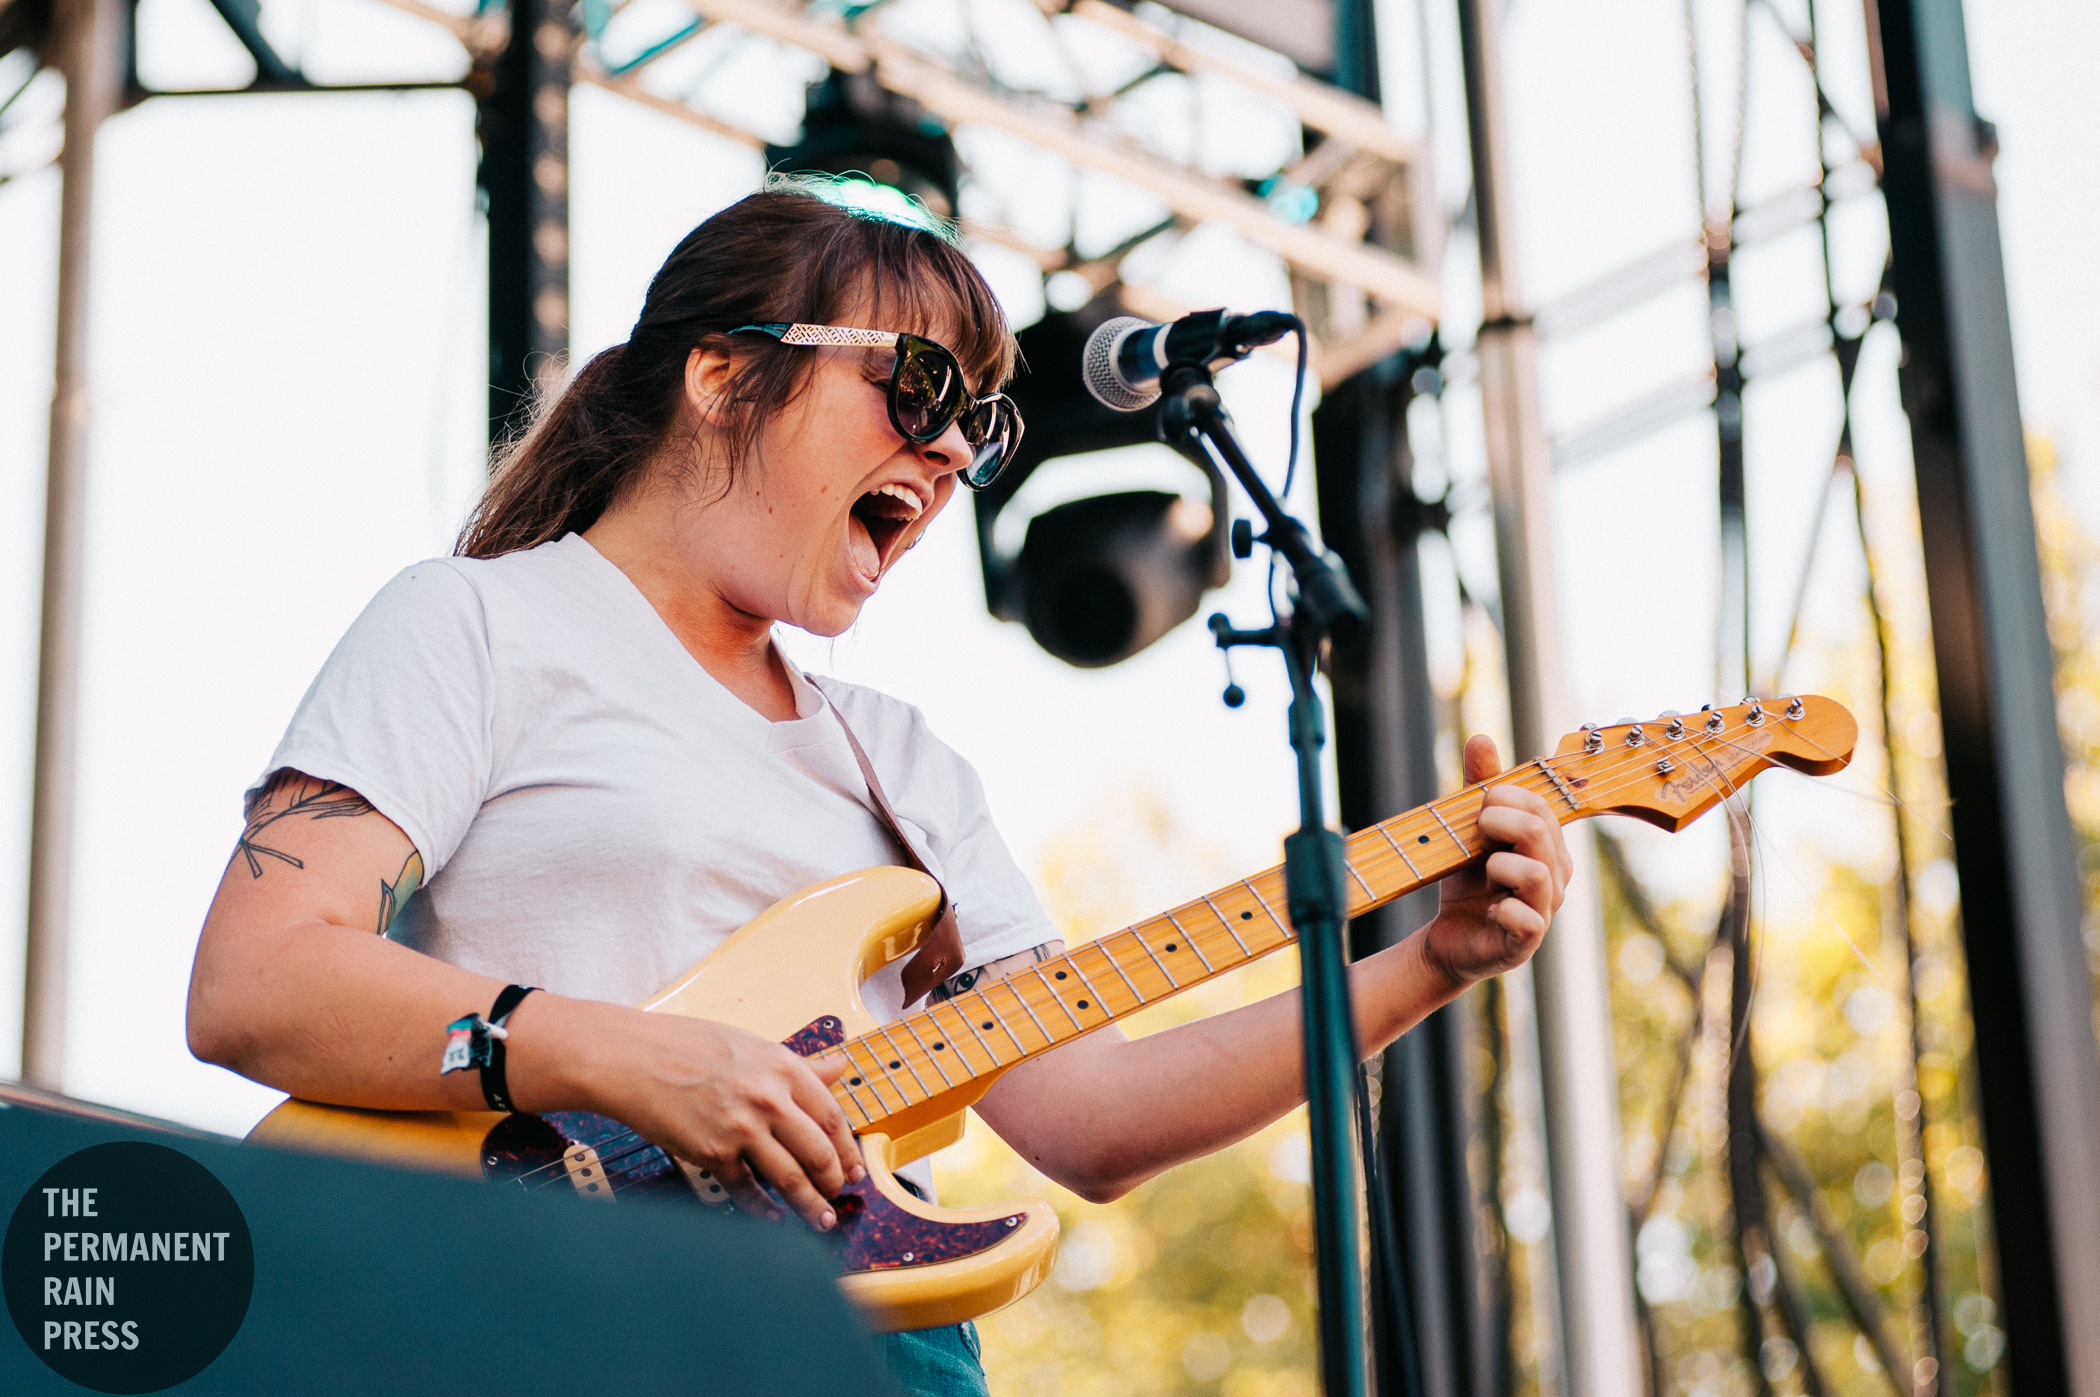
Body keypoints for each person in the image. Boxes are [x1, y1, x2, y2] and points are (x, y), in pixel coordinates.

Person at [186, 174, 1572, 1395]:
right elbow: (257, 982)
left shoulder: (902, 762)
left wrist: (1430, 962)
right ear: (724, 373)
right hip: (547, 1305)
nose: (958, 449)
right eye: (917, 388)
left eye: (978, 422)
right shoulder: (478, 626)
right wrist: (624, 1054)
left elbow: (1095, 1121)